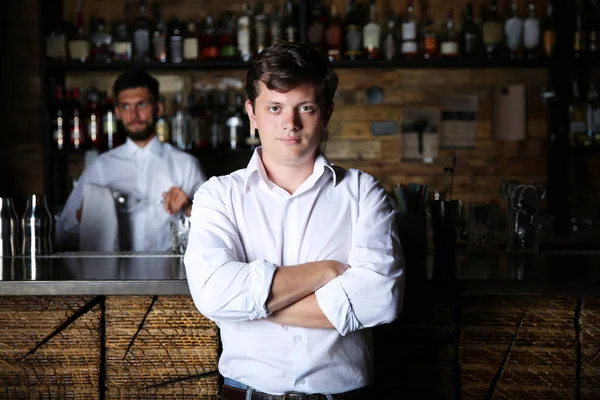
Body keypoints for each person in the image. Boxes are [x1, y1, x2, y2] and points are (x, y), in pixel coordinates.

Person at [184, 41, 404, 399]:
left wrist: (251, 307)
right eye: (274, 107)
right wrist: (328, 271)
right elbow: (212, 295)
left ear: (327, 113)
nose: (290, 123)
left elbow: (381, 299)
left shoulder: (363, 193)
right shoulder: (217, 195)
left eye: (306, 107)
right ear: (252, 114)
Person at [56, 70, 206, 252]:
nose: (134, 114)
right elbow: (61, 234)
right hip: (112, 278)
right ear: (117, 112)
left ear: (158, 108)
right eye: (126, 107)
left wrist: (189, 207)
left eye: (141, 104)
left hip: (170, 275)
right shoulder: (101, 167)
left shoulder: (186, 165)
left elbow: (214, 231)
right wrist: (81, 217)